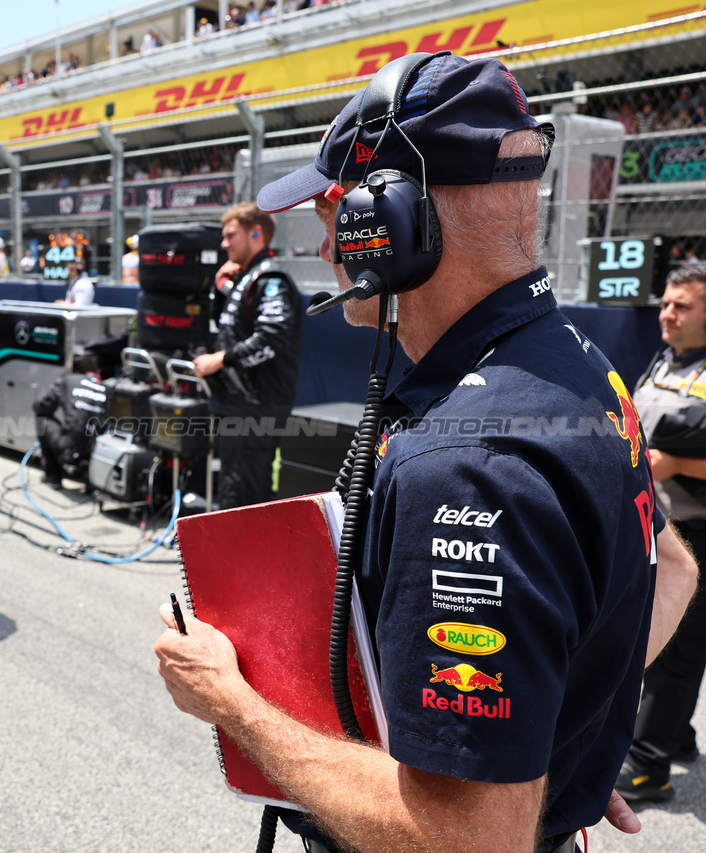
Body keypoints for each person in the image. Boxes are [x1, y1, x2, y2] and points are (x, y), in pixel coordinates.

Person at [155, 52, 698, 853]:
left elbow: (466, 838)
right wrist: (554, 745)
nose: (328, 237)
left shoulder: (467, 465)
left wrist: (231, 703)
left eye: (336, 208)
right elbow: (672, 567)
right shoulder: (581, 364)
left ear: (391, 219)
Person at [618, 264, 706, 802]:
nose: (667, 314)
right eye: (666, 303)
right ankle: (677, 737)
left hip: (697, 529)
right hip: (658, 524)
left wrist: (673, 463)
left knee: (676, 650)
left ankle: (649, 767)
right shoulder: (665, 359)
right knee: (664, 639)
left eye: (683, 306)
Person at [192, 202, 301, 509]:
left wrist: (221, 360)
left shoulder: (270, 279)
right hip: (237, 407)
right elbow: (227, 326)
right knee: (232, 494)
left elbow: (272, 340)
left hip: (256, 412)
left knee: (243, 499)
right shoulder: (246, 279)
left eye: (230, 236)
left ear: (256, 233)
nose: (224, 244)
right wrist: (218, 287)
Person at [32, 355, 107, 488]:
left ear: (77, 371)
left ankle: (52, 477)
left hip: (70, 449)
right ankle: (91, 483)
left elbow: (41, 405)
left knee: (41, 419)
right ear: (97, 372)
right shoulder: (107, 387)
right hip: (98, 452)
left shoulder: (69, 380)